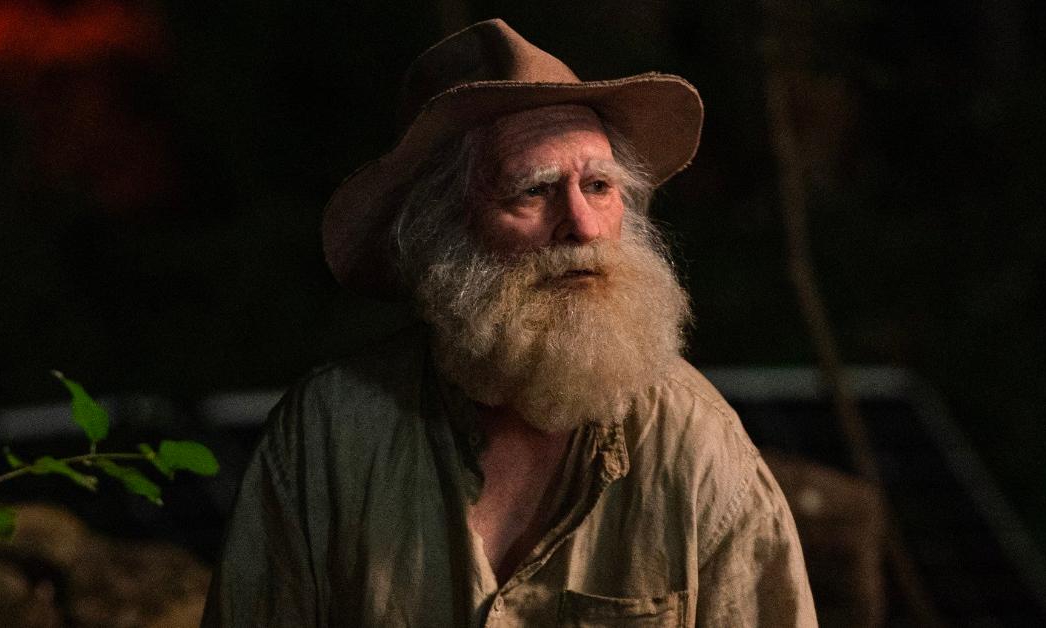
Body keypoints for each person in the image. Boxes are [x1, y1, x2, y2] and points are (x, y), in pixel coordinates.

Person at [202, 18, 816, 627]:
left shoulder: (698, 446)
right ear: (446, 230)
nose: (580, 225)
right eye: (534, 190)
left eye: (599, 186)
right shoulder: (328, 436)